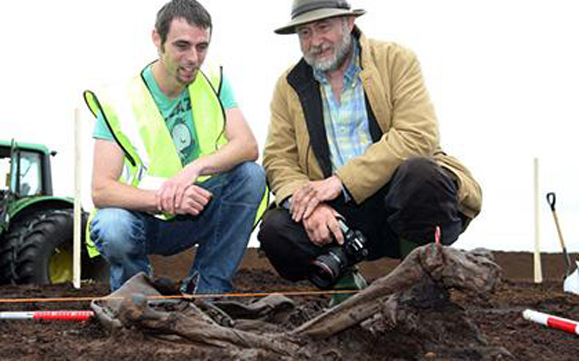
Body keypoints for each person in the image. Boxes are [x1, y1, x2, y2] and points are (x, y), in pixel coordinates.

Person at [258, 0, 482, 306]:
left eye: (323, 27)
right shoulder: (288, 86)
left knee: (421, 175)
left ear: (349, 23)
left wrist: (341, 182)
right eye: (304, 32)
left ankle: (420, 283)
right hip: (340, 219)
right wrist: (310, 205)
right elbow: (277, 158)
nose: (314, 41)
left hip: (401, 201)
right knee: (275, 230)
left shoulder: (396, 59)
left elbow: (418, 134)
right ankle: (346, 287)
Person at [83, 0, 266, 294]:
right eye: (182, 45)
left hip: (198, 209)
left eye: (202, 46)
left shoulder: (214, 81)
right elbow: (101, 190)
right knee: (111, 224)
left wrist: (194, 169)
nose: (193, 57)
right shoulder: (119, 102)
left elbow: (247, 145)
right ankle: (139, 298)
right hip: (144, 219)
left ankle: (205, 294)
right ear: (157, 39)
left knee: (251, 175)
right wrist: (164, 198)